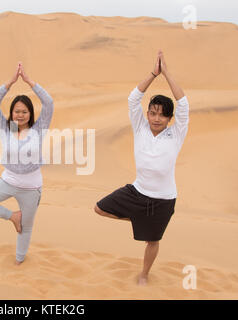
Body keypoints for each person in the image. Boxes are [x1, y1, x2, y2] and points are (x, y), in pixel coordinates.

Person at [94, 51, 190, 285]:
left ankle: (144, 274)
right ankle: (138, 219)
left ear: (169, 119)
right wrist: (152, 74)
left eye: (162, 115)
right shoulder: (139, 127)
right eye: (153, 113)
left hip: (164, 199)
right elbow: (133, 99)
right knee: (99, 208)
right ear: (147, 114)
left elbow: (184, 104)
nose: (156, 119)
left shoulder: (176, 134)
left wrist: (166, 74)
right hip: (137, 192)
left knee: (152, 241)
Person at [0, 62, 54, 265]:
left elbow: (49, 103)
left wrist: (29, 81)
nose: (20, 115)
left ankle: (19, 261)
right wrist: (10, 83)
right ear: (11, 113)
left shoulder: (39, 129)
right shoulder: (3, 128)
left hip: (31, 189)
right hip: (7, 182)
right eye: (17, 111)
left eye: (24, 111)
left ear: (30, 114)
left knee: (26, 227)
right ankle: (11, 216)